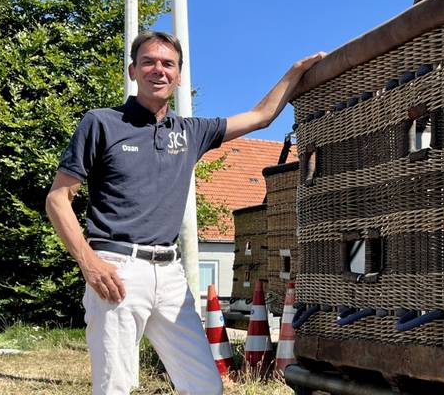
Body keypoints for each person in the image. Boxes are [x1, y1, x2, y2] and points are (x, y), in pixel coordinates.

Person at [46, 30, 324, 395]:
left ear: (178, 76)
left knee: (205, 385)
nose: (157, 70)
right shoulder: (101, 123)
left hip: (170, 274)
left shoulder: (190, 132)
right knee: (114, 386)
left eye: (167, 64)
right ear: (132, 70)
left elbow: (261, 116)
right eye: (148, 62)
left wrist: (295, 72)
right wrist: (89, 262)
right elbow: (57, 198)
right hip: (117, 269)